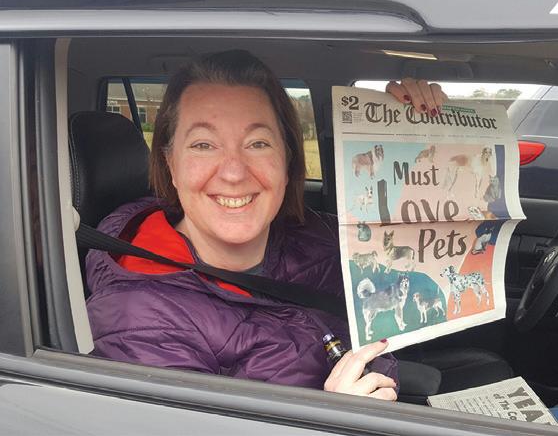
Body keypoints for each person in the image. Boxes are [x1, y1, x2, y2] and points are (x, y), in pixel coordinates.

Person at [86, 50, 446, 401]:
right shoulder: (139, 318)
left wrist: (413, 128)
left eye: (257, 143)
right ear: (171, 165)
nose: (233, 172)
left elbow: (412, 267)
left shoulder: (316, 234)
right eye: (204, 144)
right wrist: (333, 418)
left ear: (287, 160)